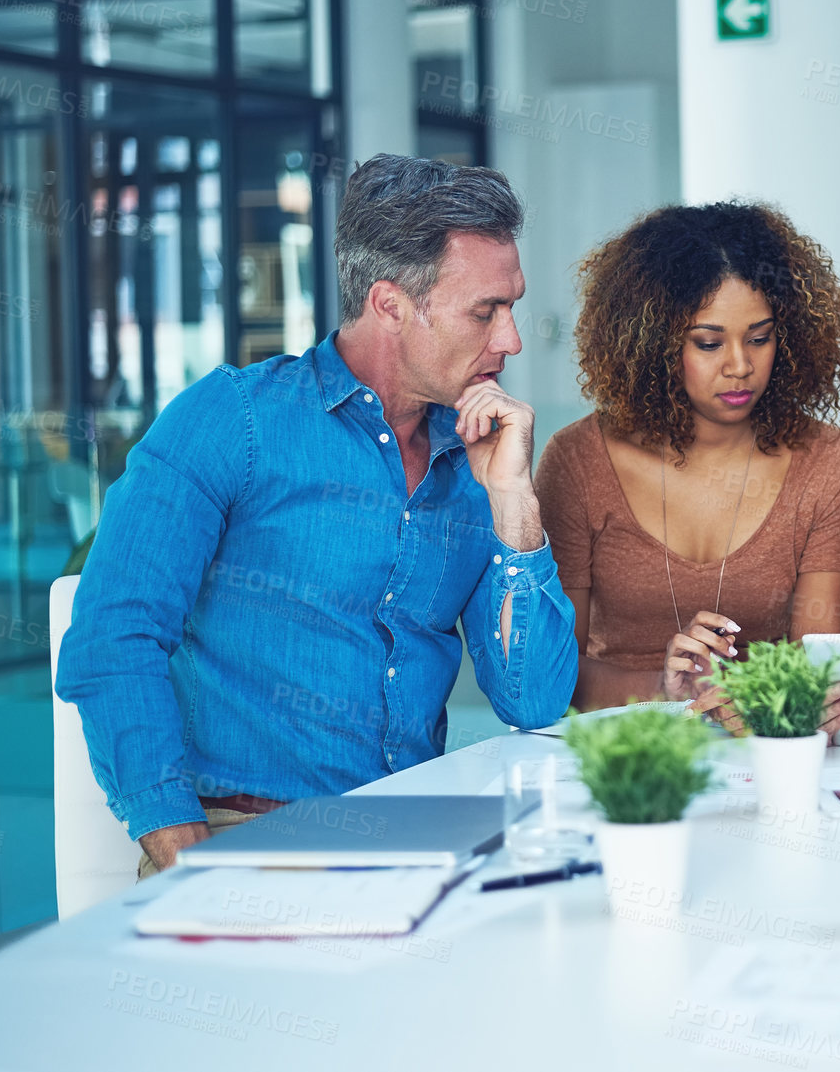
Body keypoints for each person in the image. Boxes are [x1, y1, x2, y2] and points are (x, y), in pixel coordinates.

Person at [59, 154, 579, 876]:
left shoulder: (477, 462)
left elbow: (534, 699)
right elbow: (114, 637)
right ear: (390, 303)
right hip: (252, 842)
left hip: (419, 837)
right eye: (485, 311)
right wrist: (184, 856)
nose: (511, 339)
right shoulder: (233, 422)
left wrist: (514, 502)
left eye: (512, 306)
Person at [534, 201, 840, 736]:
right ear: (654, 345)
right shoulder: (577, 462)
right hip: (621, 758)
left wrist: (751, 698)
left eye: (760, 337)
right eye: (709, 343)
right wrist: (663, 690)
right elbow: (551, 678)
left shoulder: (829, 464)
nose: (740, 365)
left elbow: (818, 667)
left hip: (769, 754)